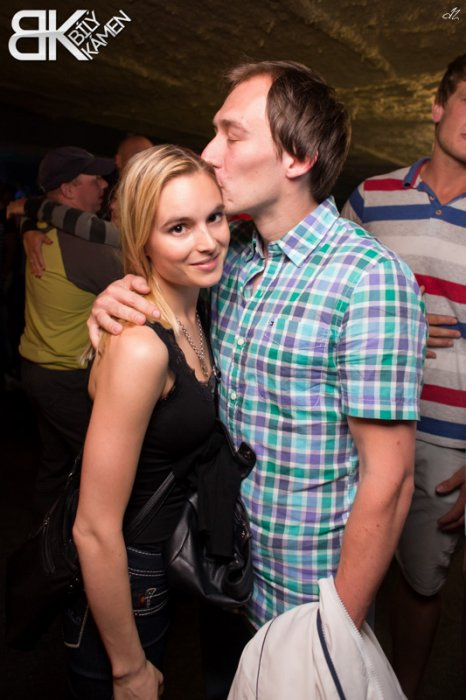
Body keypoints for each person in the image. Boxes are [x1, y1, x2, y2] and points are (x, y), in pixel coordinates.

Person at [47, 60, 426, 695]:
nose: (209, 152)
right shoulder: (235, 259)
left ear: (298, 156)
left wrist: (331, 636)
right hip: (222, 577)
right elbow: (165, 307)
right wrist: (116, 298)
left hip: (305, 605)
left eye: (231, 134)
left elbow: (389, 484)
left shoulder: (369, 280)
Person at [65, 144, 230, 699]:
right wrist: (127, 668)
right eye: (179, 227)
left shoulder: (199, 307)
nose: (207, 241)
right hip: (128, 568)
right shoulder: (141, 346)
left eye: (214, 217)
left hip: (162, 557)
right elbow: (93, 527)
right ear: (143, 240)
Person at [341, 54, 466, 698]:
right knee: (340, 578)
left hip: (447, 440)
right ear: (437, 106)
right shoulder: (371, 197)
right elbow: (331, 292)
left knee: (420, 584)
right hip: (356, 422)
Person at [11, 146, 121, 520]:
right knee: (103, 466)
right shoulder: (83, 245)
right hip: (65, 378)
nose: (104, 186)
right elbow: (149, 274)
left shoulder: (42, 229)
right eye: (95, 180)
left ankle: (42, 538)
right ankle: (79, 544)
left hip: (38, 368)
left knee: (56, 463)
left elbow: (31, 210)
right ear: (69, 189)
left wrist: (27, 218)